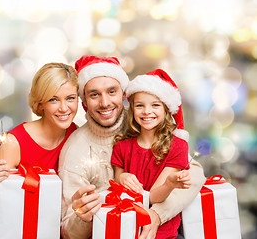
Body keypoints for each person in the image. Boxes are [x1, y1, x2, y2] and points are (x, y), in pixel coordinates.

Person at [58, 55, 206, 239]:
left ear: (123, 93)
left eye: (112, 91)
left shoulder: (144, 120)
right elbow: (68, 231)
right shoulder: (76, 149)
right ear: (84, 102)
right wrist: (84, 218)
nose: (105, 103)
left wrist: (157, 215)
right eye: (94, 94)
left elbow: (194, 173)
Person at [0, 62, 79, 239]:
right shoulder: (14, 143)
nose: (64, 108)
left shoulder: (76, 135)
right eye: (53, 99)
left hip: (47, 225)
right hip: (6, 227)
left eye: (70, 98)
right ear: (40, 103)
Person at [112, 69, 191, 239]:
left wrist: (169, 184)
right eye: (140, 105)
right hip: (125, 228)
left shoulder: (177, 147)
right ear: (132, 109)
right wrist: (123, 176)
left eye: (155, 105)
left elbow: (154, 197)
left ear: (166, 109)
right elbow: (116, 178)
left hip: (162, 233)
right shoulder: (122, 146)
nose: (147, 111)